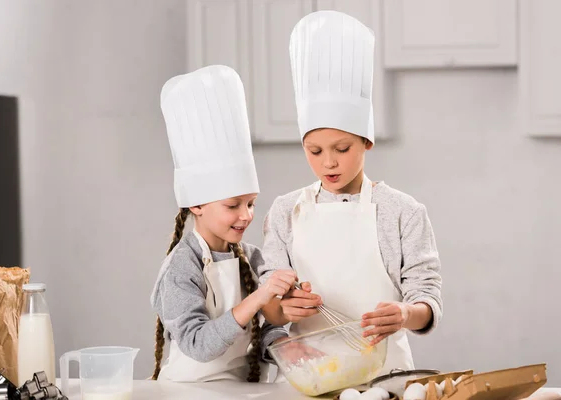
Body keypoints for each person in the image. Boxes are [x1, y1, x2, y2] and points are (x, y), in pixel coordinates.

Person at [260, 10, 443, 374]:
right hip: (308, 375)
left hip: (385, 374)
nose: (328, 163)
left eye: (341, 149)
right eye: (314, 151)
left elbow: (427, 301)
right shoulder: (285, 211)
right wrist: (283, 308)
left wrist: (405, 314)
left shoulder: (403, 212)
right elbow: (270, 305)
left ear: (366, 142)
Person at [150, 65, 296, 382]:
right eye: (233, 205)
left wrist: (289, 348)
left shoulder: (253, 258)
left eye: (251, 203)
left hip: (241, 391)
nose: (246, 215)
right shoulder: (181, 266)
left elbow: (268, 328)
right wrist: (257, 298)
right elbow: (199, 345)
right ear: (197, 205)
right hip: (186, 393)